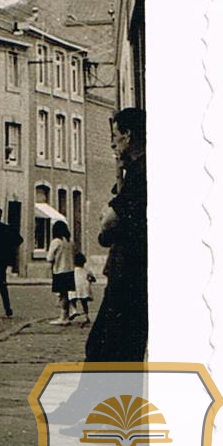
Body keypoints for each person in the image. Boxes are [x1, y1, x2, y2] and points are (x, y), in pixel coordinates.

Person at [86, 107, 148, 362]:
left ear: (128, 135)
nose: (113, 143)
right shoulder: (135, 171)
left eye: (115, 135)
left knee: (106, 347)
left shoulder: (139, 173)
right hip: (130, 273)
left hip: (129, 274)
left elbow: (108, 221)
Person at [47, 220, 75, 324]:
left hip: (59, 270)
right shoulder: (70, 242)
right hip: (70, 270)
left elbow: (50, 257)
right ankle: (66, 315)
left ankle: (63, 318)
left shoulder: (56, 242)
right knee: (65, 294)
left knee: (62, 294)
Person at [69, 251, 96, 326]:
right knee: (84, 303)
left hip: (75, 288)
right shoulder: (87, 270)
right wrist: (90, 279)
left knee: (72, 299)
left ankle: (74, 310)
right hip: (84, 288)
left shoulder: (72, 271)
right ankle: (86, 316)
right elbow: (94, 279)